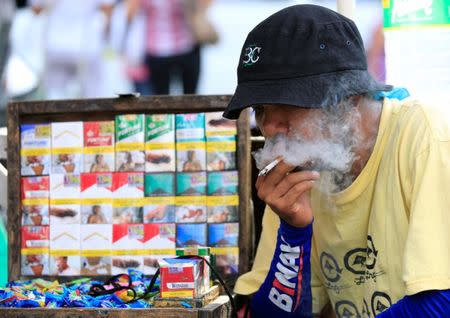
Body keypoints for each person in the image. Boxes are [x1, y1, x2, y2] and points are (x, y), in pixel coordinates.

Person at [222, 5, 450, 317]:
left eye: (287, 102)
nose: (271, 126)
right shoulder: (297, 174)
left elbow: (443, 301)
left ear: (349, 100)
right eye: (260, 108)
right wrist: (293, 231)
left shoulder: (425, 134)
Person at [126, 0, 211, 95]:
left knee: (188, 98)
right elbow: (131, 13)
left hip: (185, 46)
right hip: (159, 49)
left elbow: (130, 14)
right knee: (162, 99)